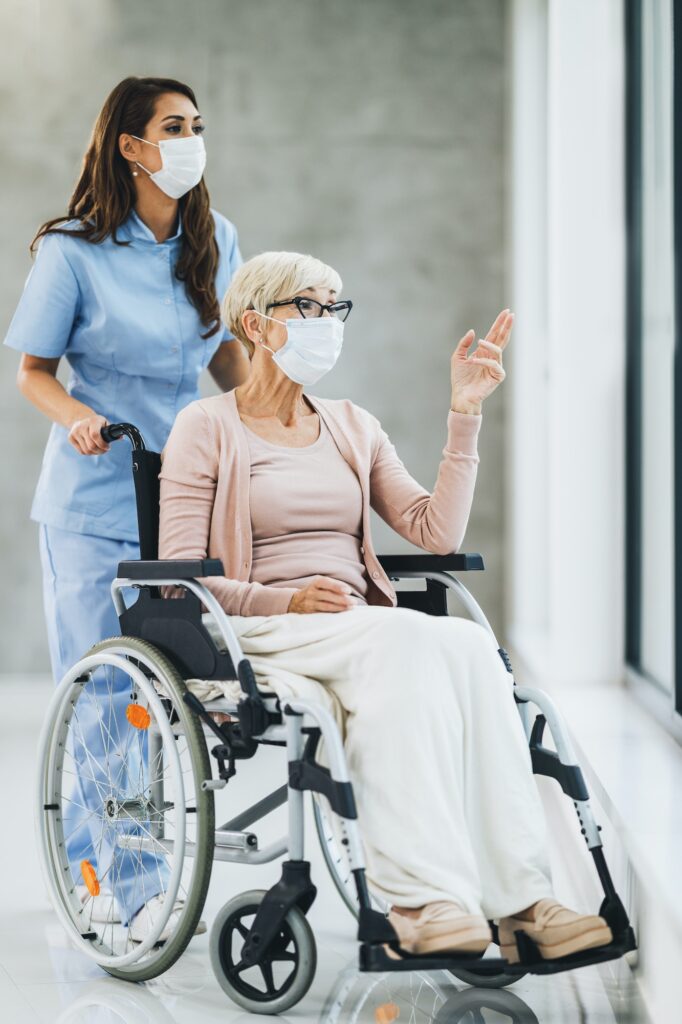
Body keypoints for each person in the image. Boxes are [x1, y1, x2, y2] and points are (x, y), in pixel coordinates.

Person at [157, 250, 613, 961]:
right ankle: (423, 902)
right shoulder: (206, 427)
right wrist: (288, 598)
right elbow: (178, 577)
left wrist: (465, 414)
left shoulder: (352, 424)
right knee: (400, 643)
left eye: (335, 307)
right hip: (259, 625)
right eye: (308, 306)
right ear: (257, 323)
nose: (328, 322)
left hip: (355, 627)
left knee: (464, 647)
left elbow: (436, 533)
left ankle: (520, 902)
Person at [5, 76, 248, 941]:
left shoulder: (213, 238)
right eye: (173, 127)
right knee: (108, 693)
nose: (191, 139)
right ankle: (105, 879)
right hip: (96, 496)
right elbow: (33, 369)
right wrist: (79, 422)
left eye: (197, 125)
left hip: (184, 498)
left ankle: (148, 871)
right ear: (131, 146)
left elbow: (227, 363)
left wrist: (276, 420)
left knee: (172, 694)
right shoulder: (72, 250)